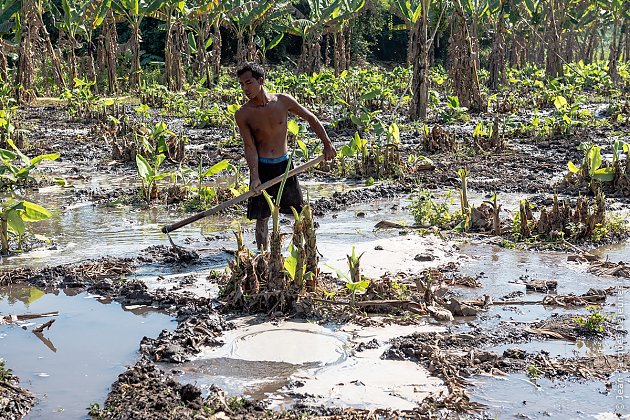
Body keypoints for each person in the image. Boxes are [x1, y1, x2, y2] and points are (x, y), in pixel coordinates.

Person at [234, 63, 336, 251]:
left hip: (285, 166)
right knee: (261, 218)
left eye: (249, 83)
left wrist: (327, 143)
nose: (245, 89)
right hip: (263, 168)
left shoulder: (283, 101)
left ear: (261, 81)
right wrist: (254, 177)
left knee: (298, 213)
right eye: (242, 84)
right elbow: (249, 147)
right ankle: (263, 255)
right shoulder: (243, 114)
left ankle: (308, 251)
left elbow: (311, 118)